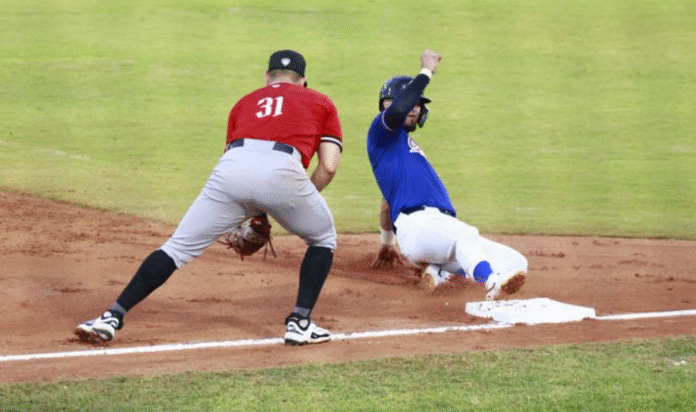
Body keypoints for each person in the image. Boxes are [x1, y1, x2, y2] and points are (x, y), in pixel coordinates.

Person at [76, 49, 343, 346]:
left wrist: (256, 211)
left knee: (176, 248)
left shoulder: (244, 103)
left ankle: (110, 317)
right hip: (284, 170)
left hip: (232, 168)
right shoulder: (321, 101)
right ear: (303, 80)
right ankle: (299, 323)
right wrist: (294, 202)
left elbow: (241, 169)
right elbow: (329, 166)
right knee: (322, 238)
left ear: (267, 77)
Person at [367, 49, 527, 299]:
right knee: (466, 237)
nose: (414, 108)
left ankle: (439, 272)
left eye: (418, 104)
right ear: (387, 105)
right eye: (410, 102)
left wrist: (387, 243)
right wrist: (426, 71)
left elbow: (387, 202)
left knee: (516, 262)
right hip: (418, 223)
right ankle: (490, 282)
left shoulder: (401, 151)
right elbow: (397, 111)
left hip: (434, 231)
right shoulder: (381, 133)